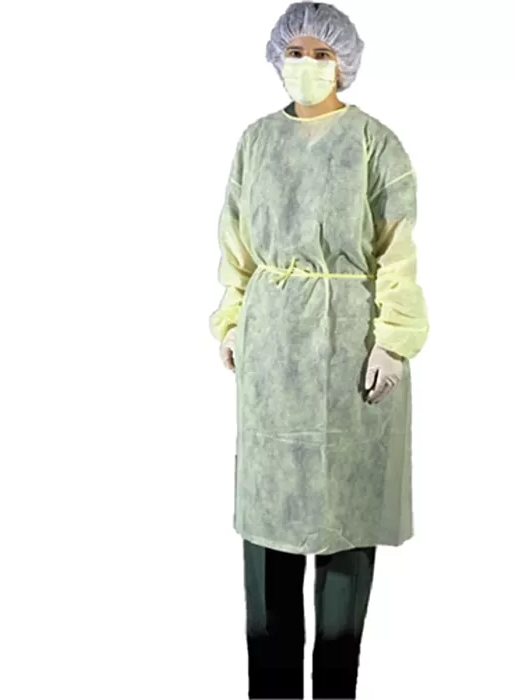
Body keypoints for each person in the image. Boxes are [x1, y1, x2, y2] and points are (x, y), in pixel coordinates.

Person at [209, 3, 430, 697]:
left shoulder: (374, 144)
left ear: (344, 62)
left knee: (344, 522)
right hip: (273, 351)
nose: (306, 63)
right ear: (278, 57)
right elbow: (235, 241)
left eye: (321, 53)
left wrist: (393, 340)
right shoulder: (256, 142)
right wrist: (232, 319)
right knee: (270, 523)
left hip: (349, 352)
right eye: (296, 51)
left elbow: (397, 251)